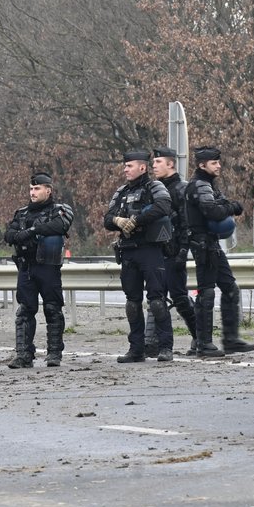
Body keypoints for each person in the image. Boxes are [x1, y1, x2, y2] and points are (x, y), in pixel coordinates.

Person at [184, 146, 254, 357]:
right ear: (202, 165)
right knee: (206, 293)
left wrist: (228, 204)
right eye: (214, 163)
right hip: (203, 246)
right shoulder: (200, 185)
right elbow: (213, 211)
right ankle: (204, 344)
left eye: (218, 162)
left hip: (211, 245)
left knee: (230, 288)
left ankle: (231, 340)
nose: (219, 166)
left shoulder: (208, 185)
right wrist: (232, 207)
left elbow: (219, 203)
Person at [104, 150, 174, 363]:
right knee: (132, 303)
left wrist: (137, 220)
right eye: (125, 166)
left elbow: (164, 206)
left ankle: (165, 347)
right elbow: (107, 218)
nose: (125, 169)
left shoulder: (155, 187)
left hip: (150, 250)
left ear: (142, 167)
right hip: (128, 251)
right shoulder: (121, 192)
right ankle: (136, 349)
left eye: (129, 166)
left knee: (157, 301)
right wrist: (118, 221)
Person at [3, 172, 74, 367]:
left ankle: (54, 353)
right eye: (31, 188)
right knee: (25, 311)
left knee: (52, 309)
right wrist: (22, 234)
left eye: (37, 188)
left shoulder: (60, 209)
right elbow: (9, 234)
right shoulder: (22, 213)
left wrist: (32, 231)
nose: (32, 192)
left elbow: (60, 225)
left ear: (48, 190)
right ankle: (24, 354)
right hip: (26, 267)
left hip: (48, 268)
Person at [151, 147, 199, 355]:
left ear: (170, 164)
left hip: (174, 252)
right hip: (155, 252)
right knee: (155, 299)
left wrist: (182, 251)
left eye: (158, 162)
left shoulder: (182, 189)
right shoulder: (152, 190)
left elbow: (187, 224)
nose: (154, 166)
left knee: (179, 298)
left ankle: (200, 336)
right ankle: (155, 343)